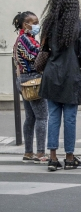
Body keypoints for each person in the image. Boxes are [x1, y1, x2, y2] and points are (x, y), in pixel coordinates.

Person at [38, 0, 81, 171]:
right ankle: (69, 158)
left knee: (53, 117)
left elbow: (43, 52)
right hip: (71, 76)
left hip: (51, 75)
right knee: (70, 119)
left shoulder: (49, 25)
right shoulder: (79, 26)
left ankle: (52, 158)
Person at [12, 11, 48, 164]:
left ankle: (28, 152)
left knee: (30, 117)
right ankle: (40, 152)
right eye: (33, 22)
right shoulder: (26, 40)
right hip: (32, 81)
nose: (36, 25)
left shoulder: (21, 39)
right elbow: (36, 57)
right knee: (42, 117)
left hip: (23, 80)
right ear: (24, 24)